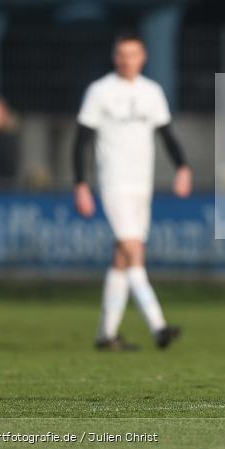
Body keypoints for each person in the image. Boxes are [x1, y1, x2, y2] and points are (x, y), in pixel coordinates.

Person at [73, 31, 191, 351]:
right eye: (122, 54)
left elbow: (167, 134)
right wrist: (80, 184)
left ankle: (105, 335)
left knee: (122, 259)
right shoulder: (99, 92)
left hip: (143, 184)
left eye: (133, 54)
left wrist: (182, 167)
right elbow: (81, 140)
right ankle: (158, 326)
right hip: (113, 184)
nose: (127, 60)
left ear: (143, 57)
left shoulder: (152, 92)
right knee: (134, 251)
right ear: (115, 57)